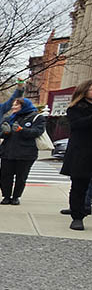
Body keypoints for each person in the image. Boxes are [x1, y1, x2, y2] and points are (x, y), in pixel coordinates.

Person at [0, 98, 45, 206]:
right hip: (8, 152)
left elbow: (37, 131)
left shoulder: (37, 117)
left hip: (26, 153)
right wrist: (5, 132)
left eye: (16, 105)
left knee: (21, 177)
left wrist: (22, 130)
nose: (13, 107)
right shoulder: (9, 118)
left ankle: (16, 197)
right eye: (13, 105)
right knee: (4, 176)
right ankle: (6, 196)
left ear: (24, 106)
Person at [62, 80, 92, 230]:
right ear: (84, 91)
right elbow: (77, 125)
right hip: (82, 152)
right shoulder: (75, 108)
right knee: (79, 186)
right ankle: (77, 216)